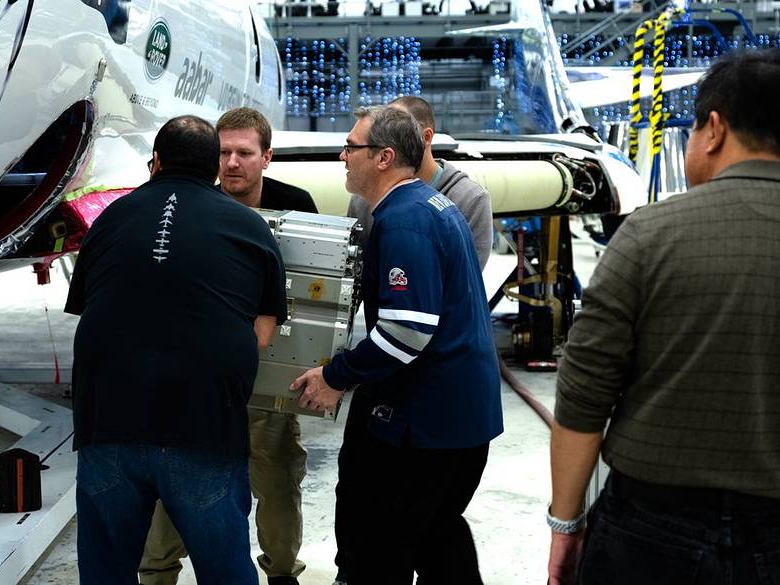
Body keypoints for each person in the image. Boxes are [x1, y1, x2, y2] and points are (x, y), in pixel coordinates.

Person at [547, 49, 780, 585]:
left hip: (652, 533)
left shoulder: (650, 235)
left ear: (714, 129)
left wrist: (567, 520)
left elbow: (584, 396)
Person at [65, 115, 288, 585]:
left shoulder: (108, 219)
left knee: (106, 571)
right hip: (203, 426)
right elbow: (262, 334)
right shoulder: (250, 228)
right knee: (225, 571)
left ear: (156, 162)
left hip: (108, 425)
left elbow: (90, 308)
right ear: (215, 168)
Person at [291, 106, 503, 585]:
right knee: (436, 539)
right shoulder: (429, 205)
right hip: (454, 417)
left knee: (383, 545)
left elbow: (408, 332)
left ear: (384, 157)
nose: (343, 157)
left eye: (351, 147)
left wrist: (336, 375)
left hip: (426, 424)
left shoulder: (406, 221)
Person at [139, 107, 317, 585]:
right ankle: (157, 574)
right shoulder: (193, 205)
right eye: (223, 153)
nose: (233, 163)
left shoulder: (296, 206)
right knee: (175, 482)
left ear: (267, 157)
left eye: (244, 153)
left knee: (277, 480)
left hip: (269, 374)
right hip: (197, 382)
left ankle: (282, 574)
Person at [347, 95, 493, 269]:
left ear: (426, 137)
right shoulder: (364, 198)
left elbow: (463, 282)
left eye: (399, 128)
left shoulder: (469, 199)